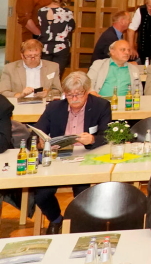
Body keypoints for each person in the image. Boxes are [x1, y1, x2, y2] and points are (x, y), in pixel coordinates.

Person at [32, 72, 112, 233]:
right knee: (41, 194)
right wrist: (40, 143)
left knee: (82, 194)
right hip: (58, 158)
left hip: (87, 157)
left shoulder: (101, 106)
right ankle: (56, 219)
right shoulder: (54, 108)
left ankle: (81, 224)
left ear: (87, 91)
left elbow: (108, 135)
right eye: (69, 95)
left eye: (78, 94)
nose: (74, 98)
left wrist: (92, 139)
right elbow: (36, 133)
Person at [37, 0, 75, 76]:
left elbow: (40, 25)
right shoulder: (66, 12)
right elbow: (71, 27)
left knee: (44, 74)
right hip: (61, 46)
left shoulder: (41, 11)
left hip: (44, 46)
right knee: (57, 74)